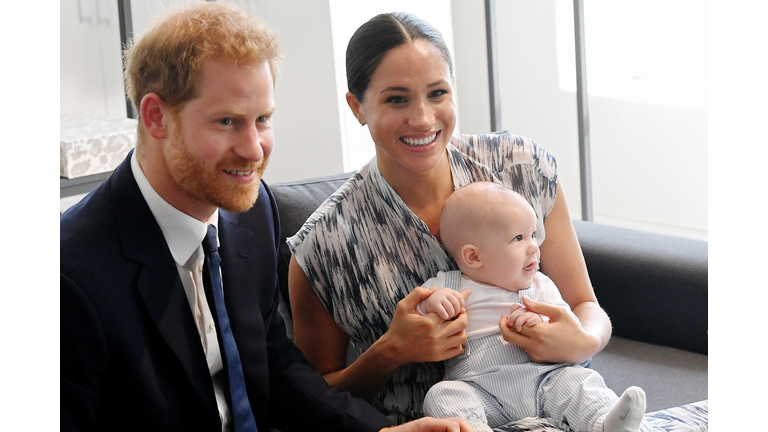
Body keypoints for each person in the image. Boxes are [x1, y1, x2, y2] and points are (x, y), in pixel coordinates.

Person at [60, 3, 473, 432]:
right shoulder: (69, 275)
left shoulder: (251, 213)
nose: (254, 150)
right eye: (227, 122)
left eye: (262, 120)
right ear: (155, 117)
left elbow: (275, 369)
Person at [287, 11, 612, 425]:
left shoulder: (522, 168)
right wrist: (391, 351)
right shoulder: (324, 245)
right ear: (357, 107)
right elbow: (311, 401)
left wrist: (582, 342)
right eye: (397, 99)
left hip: (560, 409)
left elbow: (586, 304)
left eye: (437, 93)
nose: (423, 118)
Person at [416, 182, 653, 432]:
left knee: (579, 381)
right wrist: (433, 303)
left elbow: (566, 327)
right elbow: (414, 312)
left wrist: (540, 325)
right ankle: (475, 428)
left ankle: (605, 423)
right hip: (479, 389)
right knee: (441, 395)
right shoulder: (448, 285)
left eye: (532, 235)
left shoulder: (540, 285)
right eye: (518, 238)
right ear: (473, 257)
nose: (533, 247)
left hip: (544, 381)